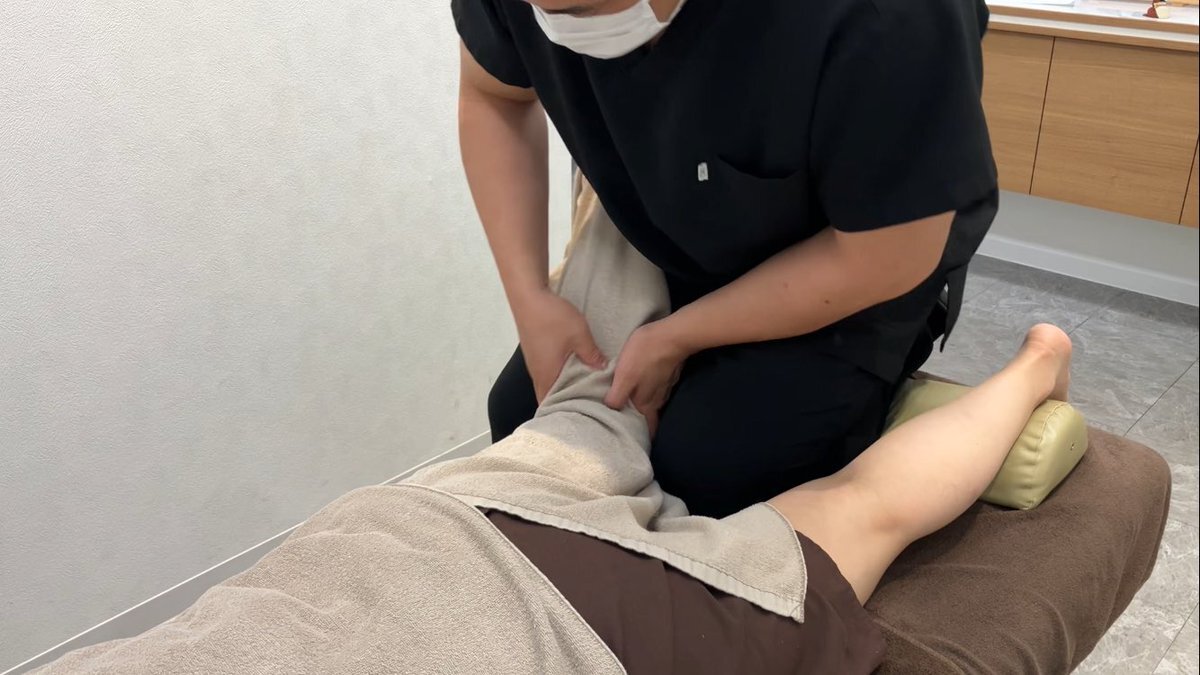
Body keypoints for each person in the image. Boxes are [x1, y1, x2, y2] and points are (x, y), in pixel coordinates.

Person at [455, 0, 999, 517]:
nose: (556, 24)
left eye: (586, 11)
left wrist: (676, 338)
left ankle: (1022, 376)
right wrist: (529, 300)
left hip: (862, 257)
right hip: (676, 221)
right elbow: (493, 94)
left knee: (709, 472)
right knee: (517, 410)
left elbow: (888, 255)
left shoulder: (889, 18)